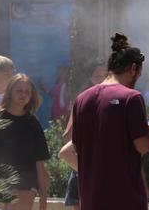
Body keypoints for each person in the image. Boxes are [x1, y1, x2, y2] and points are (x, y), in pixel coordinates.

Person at [71, 33, 149, 210]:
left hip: (91, 199)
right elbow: (143, 146)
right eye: (139, 73)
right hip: (125, 199)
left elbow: (77, 147)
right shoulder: (132, 98)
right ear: (133, 69)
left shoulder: (81, 99)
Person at [0, 74, 50, 210]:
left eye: (27, 92)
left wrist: (43, 203)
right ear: (10, 91)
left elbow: (40, 163)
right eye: (19, 90)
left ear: (31, 96)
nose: (23, 95)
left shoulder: (33, 124)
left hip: (25, 185)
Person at [61, 61, 108, 209]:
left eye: (105, 76)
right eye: (97, 76)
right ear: (91, 79)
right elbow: (67, 137)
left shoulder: (118, 101)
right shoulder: (82, 102)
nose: (101, 79)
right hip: (84, 168)